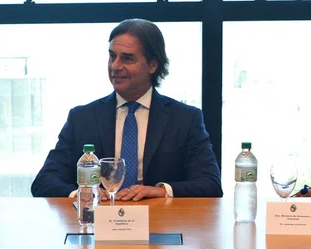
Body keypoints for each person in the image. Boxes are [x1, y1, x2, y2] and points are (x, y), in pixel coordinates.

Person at [31, 19, 223, 200]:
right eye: (112, 56)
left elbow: (211, 184)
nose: (115, 66)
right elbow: (44, 182)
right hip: (97, 225)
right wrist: (80, 193)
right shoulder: (82, 118)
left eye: (127, 59)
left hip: (161, 226)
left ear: (153, 65)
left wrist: (161, 191)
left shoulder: (185, 119)